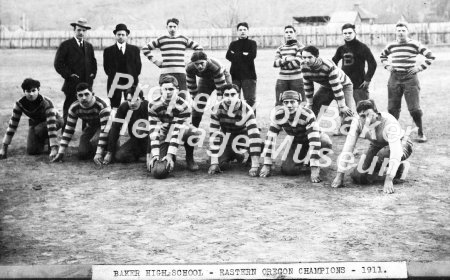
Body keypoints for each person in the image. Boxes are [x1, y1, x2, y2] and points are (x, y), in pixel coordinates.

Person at [332, 99, 413, 194]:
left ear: (377, 114)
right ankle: (387, 171)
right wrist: (340, 174)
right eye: (362, 116)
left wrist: (389, 178)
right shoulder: (357, 122)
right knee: (358, 176)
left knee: (381, 156)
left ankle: (396, 168)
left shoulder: (389, 123)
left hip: (401, 144)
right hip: (377, 144)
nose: (366, 119)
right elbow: (348, 146)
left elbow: (396, 152)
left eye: (369, 115)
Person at [260, 90, 332, 183]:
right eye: (286, 102)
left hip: (315, 138)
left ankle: (311, 160)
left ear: (299, 103)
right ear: (282, 104)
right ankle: (301, 159)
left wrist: (314, 167)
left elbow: (314, 140)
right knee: (289, 170)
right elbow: (270, 138)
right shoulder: (279, 115)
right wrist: (267, 163)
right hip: (297, 142)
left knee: (326, 143)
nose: (289, 105)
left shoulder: (307, 114)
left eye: (292, 102)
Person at [380, 21, 435, 143]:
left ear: (407, 32)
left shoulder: (414, 44)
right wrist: (387, 66)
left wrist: (419, 68)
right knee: (392, 108)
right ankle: (393, 133)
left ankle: (420, 133)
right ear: (395, 32)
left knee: (414, 109)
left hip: (410, 78)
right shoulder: (391, 45)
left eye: (403, 30)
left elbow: (431, 56)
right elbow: (382, 56)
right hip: (394, 77)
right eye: (398, 30)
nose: (400, 33)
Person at [146, 75, 201, 175]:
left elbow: (177, 131)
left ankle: (189, 158)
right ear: (161, 89)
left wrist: (170, 155)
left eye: (171, 89)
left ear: (177, 89)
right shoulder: (153, 105)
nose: (168, 92)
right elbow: (154, 132)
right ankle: (165, 154)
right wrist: (155, 154)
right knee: (158, 172)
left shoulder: (184, 105)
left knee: (193, 132)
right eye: (165, 89)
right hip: (163, 133)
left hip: (180, 131)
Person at [0, 78, 63, 159]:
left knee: (40, 129)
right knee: (32, 151)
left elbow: (51, 125)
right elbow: (12, 125)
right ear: (24, 92)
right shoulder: (19, 104)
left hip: (55, 120)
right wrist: (4, 148)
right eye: (28, 91)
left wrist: (54, 147)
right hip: (37, 123)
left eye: (34, 90)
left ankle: (52, 144)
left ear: (38, 90)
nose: (31, 94)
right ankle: (44, 141)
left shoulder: (46, 102)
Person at [208, 84, 262, 177]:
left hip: (243, 135)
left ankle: (248, 157)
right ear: (222, 96)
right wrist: (213, 163)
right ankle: (235, 153)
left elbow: (254, 135)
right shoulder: (216, 109)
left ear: (238, 95)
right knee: (221, 165)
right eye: (226, 95)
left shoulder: (247, 109)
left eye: (233, 95)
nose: (229, 98)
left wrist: (255, 166)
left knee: (258, 142)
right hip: (226, 137)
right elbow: (214, 135)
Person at [51, 83, 111, 165]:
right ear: (76, 96)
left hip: (107, 126)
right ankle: (97, 149)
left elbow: (105, 130)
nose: (84, 98)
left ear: (92, 94)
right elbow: (68, 130)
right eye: (80, 95)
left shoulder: (102, 105)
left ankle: (110, 150)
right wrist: (61, 152)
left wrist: (99, 153)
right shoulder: (74, 107)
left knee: (95, 141)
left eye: (87, 94)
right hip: (91, 126)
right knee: (82, 153)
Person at [54, 18, 97, 127]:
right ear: (74, 30)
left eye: (83, 30)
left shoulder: (89, 46)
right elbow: (58, 64)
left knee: (87, 108)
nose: (81, 32)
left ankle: (85, 133)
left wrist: (92, 74)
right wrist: (69, 75)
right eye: (79, 30)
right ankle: (65, 131)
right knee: (69, 108)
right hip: (71, 84)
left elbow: (93, 62)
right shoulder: (66, 45)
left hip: (87, 85)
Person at [301, 45, 355, 129]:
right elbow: (308, 86)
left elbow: (336, 87)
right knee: (313, 107)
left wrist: (342, 106)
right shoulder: (303, 66)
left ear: (316, 56)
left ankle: (346, 129)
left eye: (309, 57)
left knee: (346, 111)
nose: (306, 60)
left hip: (343, 85)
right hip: (326, 86)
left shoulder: (328, 66)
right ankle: (311, 127)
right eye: (304, 57)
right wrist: (309, 103)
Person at [142, 18, 203, 91]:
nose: (172, 29)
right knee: (165, 96)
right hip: (166, 73)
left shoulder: (183, 39)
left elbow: (199, 48)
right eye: (170, 27)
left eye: (174, 27)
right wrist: (155, 61)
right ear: (166, 27)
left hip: (180, 73)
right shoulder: (161, 39)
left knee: (182, 96)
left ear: (178, 27)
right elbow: (145, 48)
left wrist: (190, 61)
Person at [332, 23, 377, 105]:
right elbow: (333, 62)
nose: (347, 35)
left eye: (350, 33)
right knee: (345, 110)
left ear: (355, 33)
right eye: (345, 33)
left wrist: (367, 79)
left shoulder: (362, 47)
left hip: (359, 83)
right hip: (344, 83)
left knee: (364, 108)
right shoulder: (341, 49)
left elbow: (372, 63)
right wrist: (336, 76)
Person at [103, 86, 149, 164]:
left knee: (141, 127)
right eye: (129, 100)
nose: (132, 103)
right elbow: (115, 128)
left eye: (136, 100)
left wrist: (150, 152)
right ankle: (139, 154)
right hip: (134, 139)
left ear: (142, 99)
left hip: (149, 139)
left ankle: (146, 153)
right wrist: (109, 152)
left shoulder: (148, 107)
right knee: (119, 156)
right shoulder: (124, 107)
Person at [186, 51, 230, 127]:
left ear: (206, 61)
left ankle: (229, 126)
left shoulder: (215, 66)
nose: (199, 66)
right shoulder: (189, 68)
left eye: (202, 63)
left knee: (227, 101)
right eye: (196, 64)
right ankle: (193, 127)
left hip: (222, 77)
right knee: (198, 103)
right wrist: (196, 100)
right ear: (193, 63)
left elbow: (221, 88)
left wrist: (220, 100)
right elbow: (191, 85)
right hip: (205, 79)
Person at [103, 23, 142, 109]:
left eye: (123, 35)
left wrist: (132, 76)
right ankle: (116, 122)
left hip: (130, 81)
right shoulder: (108, 51)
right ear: (115, 36)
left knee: (131, 105)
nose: (121, 36)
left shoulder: (134, 50)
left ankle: (129, 122)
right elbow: (106, 68)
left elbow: (138, 67)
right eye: (118, 34)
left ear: (126, 36)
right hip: (114, 82)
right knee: (114, 106)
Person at [226, 22, 257, 111]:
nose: (242, 31)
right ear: (237, 32)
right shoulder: (233, 44)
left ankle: (251, 122)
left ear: (248, 31)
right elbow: (228, 56)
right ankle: (236, 123)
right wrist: (244, 54)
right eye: (240, 30)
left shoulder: (252, 43)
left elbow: (252, 56)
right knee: (234, 100)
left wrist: (236, 54)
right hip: (235, 76)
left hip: (249, 76)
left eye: (244, 30)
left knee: (250, 101)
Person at [273, 25, 305, 106]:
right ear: (284, 34)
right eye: (286, 32)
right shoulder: (280, 48)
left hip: (297, 80)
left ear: (295, 34)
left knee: (300, 104)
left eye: (291, 32)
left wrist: (282, 63)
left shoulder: (300, 47)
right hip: (281, 81)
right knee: (280, 104)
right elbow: (275, 64)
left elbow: (296, 63)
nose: (289, 34)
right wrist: (286, 59)